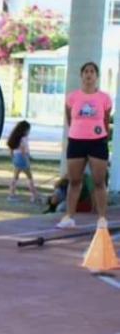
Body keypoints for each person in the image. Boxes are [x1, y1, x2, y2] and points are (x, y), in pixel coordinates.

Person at [56, 62, 113, 229]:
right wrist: (78, 131)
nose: (89, 75)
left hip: (97, 142)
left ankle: (102, 218)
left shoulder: (104, 98)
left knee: (99, 181)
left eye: (92, 72)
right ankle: (69, 217)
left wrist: (100, 135)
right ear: (81, 75)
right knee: (74, 181)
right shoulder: (72, 97)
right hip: (76, 141)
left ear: (97, 76)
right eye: (86, 71)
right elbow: (70, 119)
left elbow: (105, 119)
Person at [6, 120, 39, 202]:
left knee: (15, 177)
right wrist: (27, 159)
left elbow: (11, 150)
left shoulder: (15, 139)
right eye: (28, 130)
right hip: (22, 158)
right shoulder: (24, 138)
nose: (29, 132)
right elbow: (24, 150)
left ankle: (11, 194)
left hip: (16, 157)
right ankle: (34, 195)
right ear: (24, 130)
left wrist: (13, 158)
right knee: (29, 177)